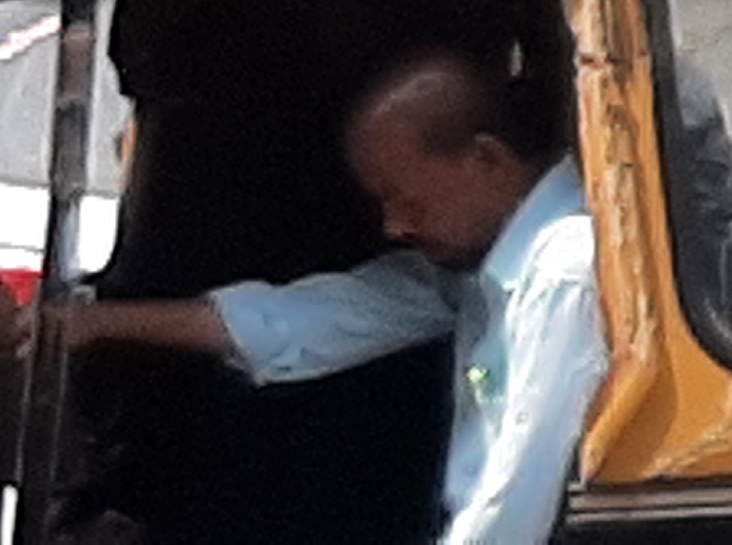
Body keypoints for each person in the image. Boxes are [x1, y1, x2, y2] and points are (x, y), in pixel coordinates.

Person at [23, 48, 607, 545]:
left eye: (408, 201)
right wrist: (94, 323)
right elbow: (313, 319)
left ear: (487, 160)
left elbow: (514, 505)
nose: (394, 227)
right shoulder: (479, 263)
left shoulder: (561, 272)